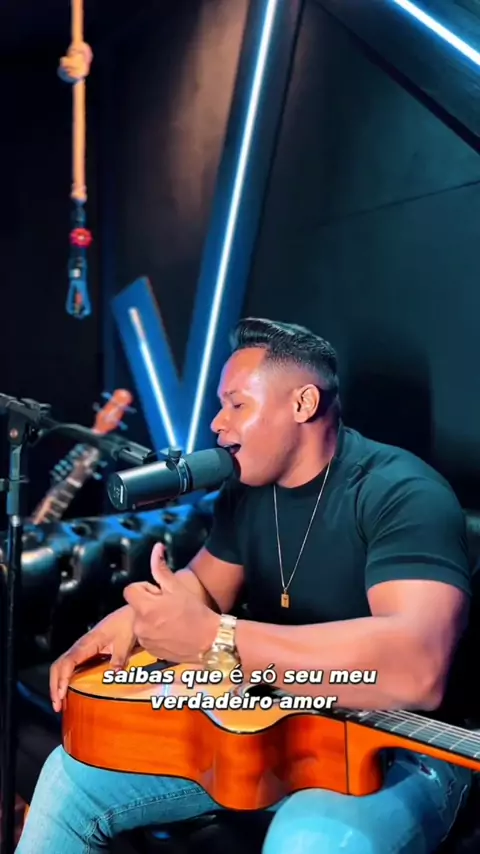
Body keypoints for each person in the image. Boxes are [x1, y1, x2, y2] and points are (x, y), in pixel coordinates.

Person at [17, 317, 473, 854]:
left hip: (399, 744)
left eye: (236, 404)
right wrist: (136, 619)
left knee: (307, 841)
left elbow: (418, 669)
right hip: (274, 725)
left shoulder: (402, 492)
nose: (217, 423)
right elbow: (203, 585)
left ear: (302, 404)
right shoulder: (249, 489)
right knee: (71, 777)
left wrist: (218, 640)